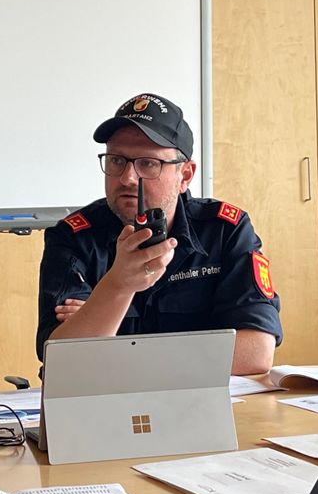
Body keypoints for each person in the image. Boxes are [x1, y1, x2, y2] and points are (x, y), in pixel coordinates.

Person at [36, 93, 282, 375]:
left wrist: (103, 336)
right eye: (117, 160)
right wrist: (118, 286)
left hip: (201, 407)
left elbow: (256, 352)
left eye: (148, 164)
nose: (128, 178)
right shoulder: (72, 237)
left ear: (185, 176)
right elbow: (64, 364)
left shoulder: (225, 230)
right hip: (105, 408)